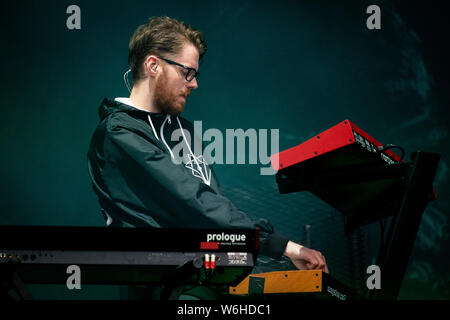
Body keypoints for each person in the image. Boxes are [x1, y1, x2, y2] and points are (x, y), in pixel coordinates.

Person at [87, 16, 328, 297]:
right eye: (187, 72)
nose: (194, 84)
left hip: (207, 282)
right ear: (153, 65)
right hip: (165, 290)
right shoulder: (119, 134)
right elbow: (190, 198)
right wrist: (279, 245)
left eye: (195, 75)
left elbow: (213, 204)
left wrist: (265, 248)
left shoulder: (184, 131)